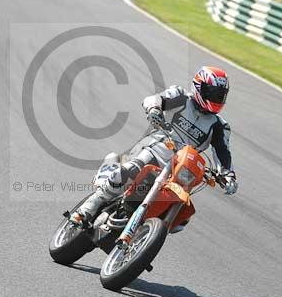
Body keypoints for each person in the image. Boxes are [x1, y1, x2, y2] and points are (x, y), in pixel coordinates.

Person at [71, 66, 238, 227]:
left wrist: (227, 175)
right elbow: (154, 99)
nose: (216, 99)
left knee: (183, 219)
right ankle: (87, 209)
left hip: (180, 169)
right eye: (213, 94)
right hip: (154, 150)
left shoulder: (219, 126)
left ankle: (147, 232)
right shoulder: (180, 97)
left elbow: (223, 152)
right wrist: (154, 109)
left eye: (220, 95)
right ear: (199, 87)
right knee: (128, 170)